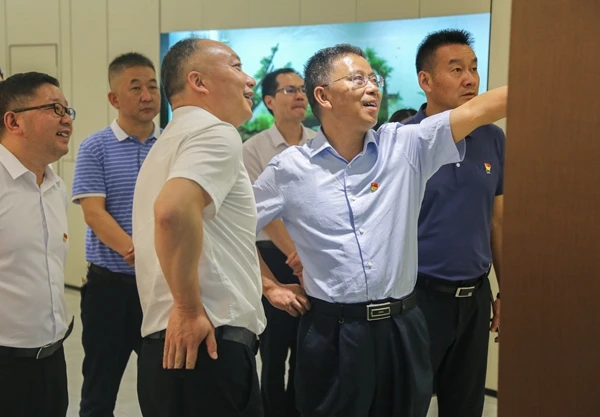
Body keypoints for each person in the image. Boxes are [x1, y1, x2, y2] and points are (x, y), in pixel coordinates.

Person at [252, 44, 507, 417]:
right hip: (332, 331)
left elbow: (479, 110)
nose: (372, 87)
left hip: (402, 327)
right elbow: (229, 229)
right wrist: (269, 285)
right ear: (322, 96)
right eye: (357, 79)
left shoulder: (406, 144)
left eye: (374, 79)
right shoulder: (289, 170)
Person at [132, 37, 270, 417]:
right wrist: (188, 307)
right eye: (237, 66)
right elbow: (172, 212)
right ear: (198, 81)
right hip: (207, 346)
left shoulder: (167, 143)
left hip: (171, 350)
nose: (250, 79)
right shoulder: (214, 132)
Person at [402, 29, 504, 417]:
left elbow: (498, 221)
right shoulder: (403, 140)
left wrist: (505, 291)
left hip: (475, 298)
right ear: (425, 80)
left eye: (474, 69)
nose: (470, 79)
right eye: (457, 69)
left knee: (466, 406)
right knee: (407, 402)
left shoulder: (492, 139)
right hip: (417, 297)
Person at [71, 52, 161, 417]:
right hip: (110, 288)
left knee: (163, 384)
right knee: (99, 387)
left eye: (152, 86)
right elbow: (94, 213)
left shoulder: (171, 145)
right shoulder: (95, 147)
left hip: (160, 288)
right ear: (114, 98)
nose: (147, 96)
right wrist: (138, 253)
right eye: (135, 88)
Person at [0, 71, 75, 417]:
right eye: (54, 108)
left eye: (67, 110)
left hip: (51, 362)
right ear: (13, 121)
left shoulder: (56, 187)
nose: (66, 119)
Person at [243, 68, 316, 417]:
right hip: (275, 256)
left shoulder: (319, 142)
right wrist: (294, 254)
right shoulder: (253, 149)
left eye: (302, 89)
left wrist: (307, 256)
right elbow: (263, 213)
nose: (300, 95)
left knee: (308, 347)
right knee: (273, 349)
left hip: (313, 256)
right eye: (289, 90)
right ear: (269, 101)